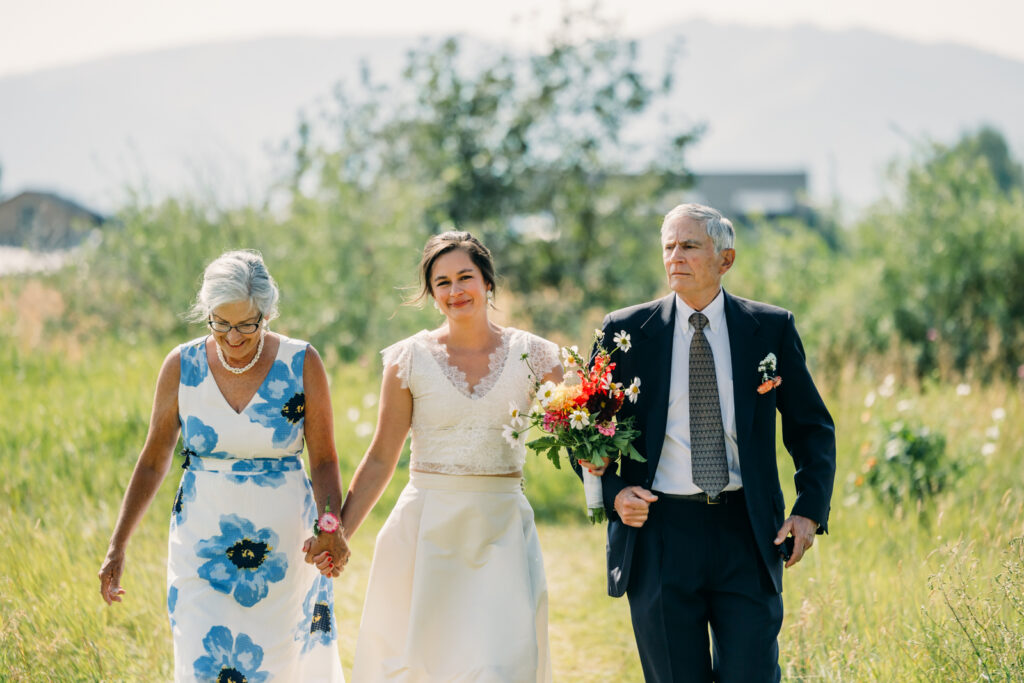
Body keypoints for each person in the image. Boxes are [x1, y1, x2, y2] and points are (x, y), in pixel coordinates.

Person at [589, 204, 836, 682]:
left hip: (747, 530)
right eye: (668, 246)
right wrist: (616, 491)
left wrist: (809, 510)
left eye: (689, 246)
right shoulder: (624, 333)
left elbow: (811, 426)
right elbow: (586, 430)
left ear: (726, 259)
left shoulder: (771, 328)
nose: (674, 256)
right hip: (659, 532)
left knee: (753, 674)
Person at [97, 250, 349, 682]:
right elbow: (154, 458)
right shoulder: (182, 365)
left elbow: (323, 458)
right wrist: (118, 544)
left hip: (283, 551)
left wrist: (330, 528)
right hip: (202, 546)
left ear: (267, 313)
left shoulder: (301, 362)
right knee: (202, 664)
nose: (232, 337)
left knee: (278, 667)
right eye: (220, 322)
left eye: (246, 324)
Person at [340, 231, 561, 682]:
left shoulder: (536, 356)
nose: (456, 291)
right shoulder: (408, 359)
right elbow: (383, 455)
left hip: (501, 529)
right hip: (426, 531)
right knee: (423, 665)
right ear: (431, 292)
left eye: (466, 277)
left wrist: (602, 476)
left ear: (488, 282)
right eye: (442, 282)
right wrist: (340, 532)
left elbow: (575, 434)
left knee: (502, 664)